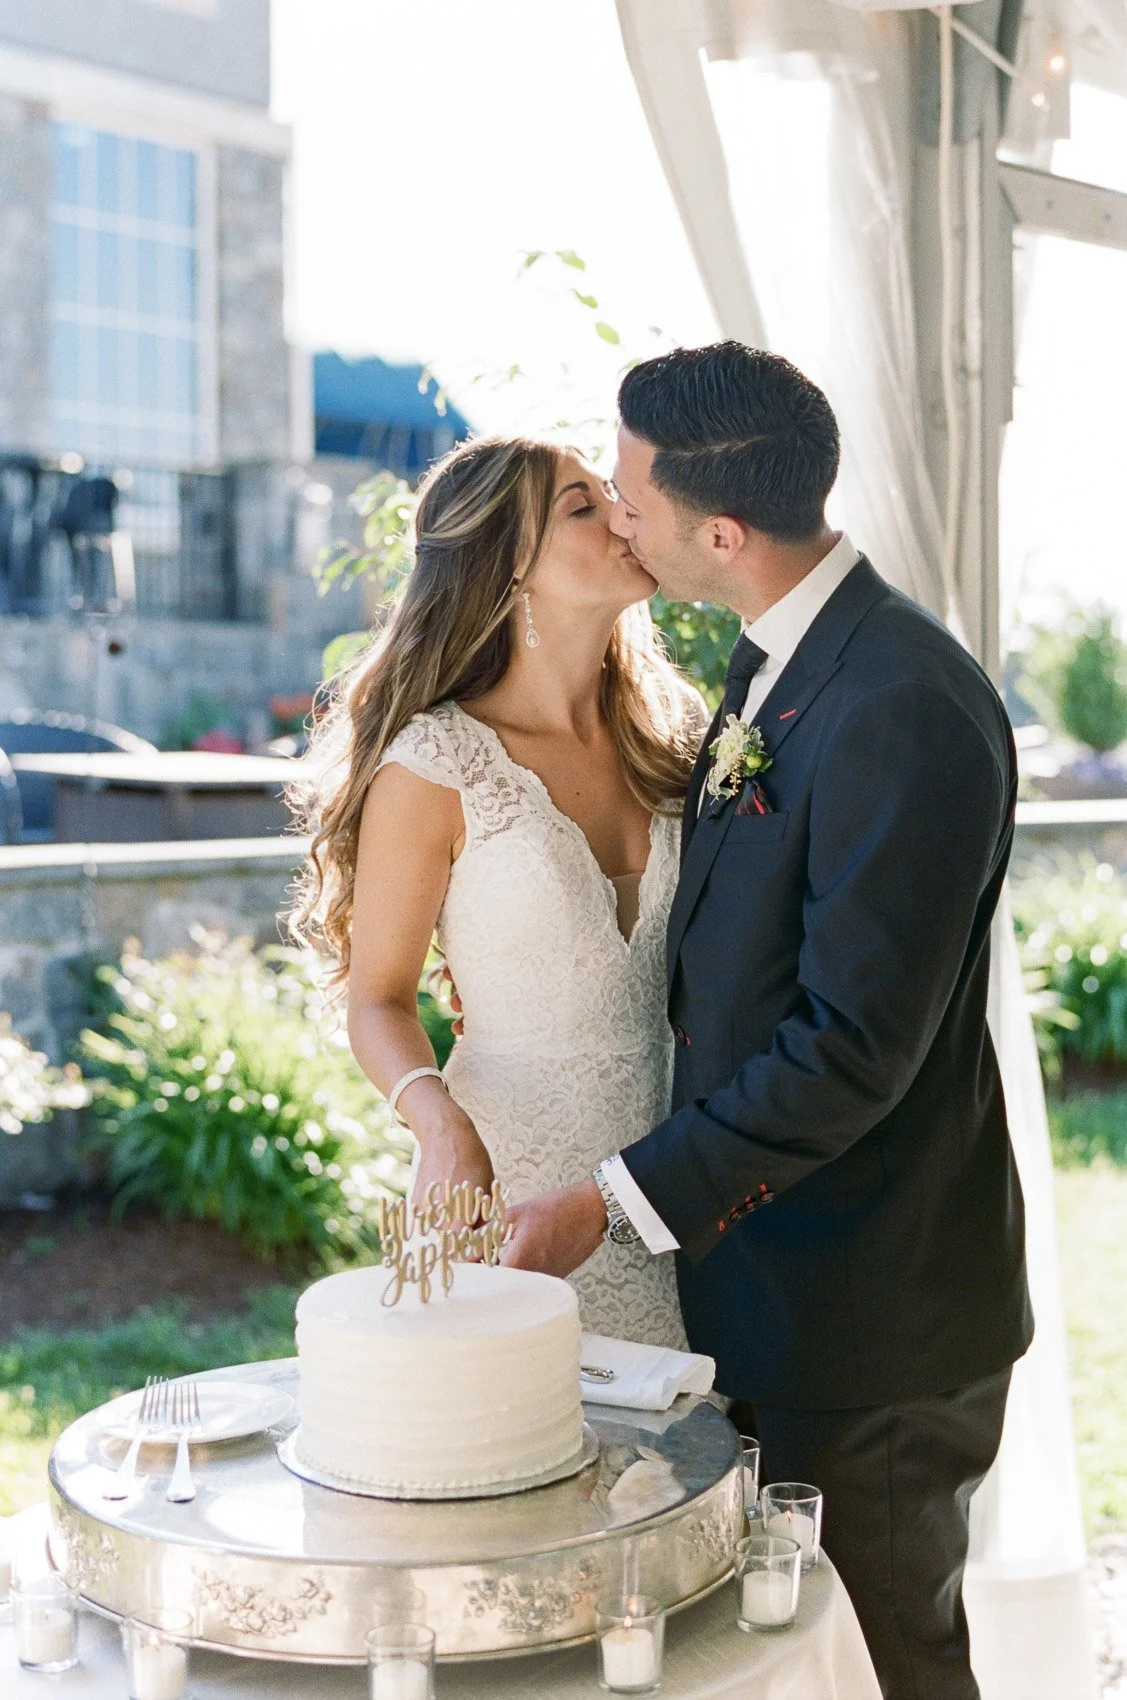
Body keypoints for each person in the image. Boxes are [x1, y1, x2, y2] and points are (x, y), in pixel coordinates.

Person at [501, 342, 1033, 1700]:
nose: (616, 517)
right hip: (776, 1289)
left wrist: (607, 1201)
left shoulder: (897, 702)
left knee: (888, 1658)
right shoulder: (780, 661)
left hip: (873, 1312)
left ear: (718, 533)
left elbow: (850, 1048)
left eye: (626, 497)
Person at [289, 434, 707, 1346]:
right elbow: (378, 998)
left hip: (679, 1180)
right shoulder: (437, 763)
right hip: (507, 1191)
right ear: (507, 563)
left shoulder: (681, 738)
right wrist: (438, 1124)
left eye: (613, 497)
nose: (621, 518)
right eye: (581, 507)